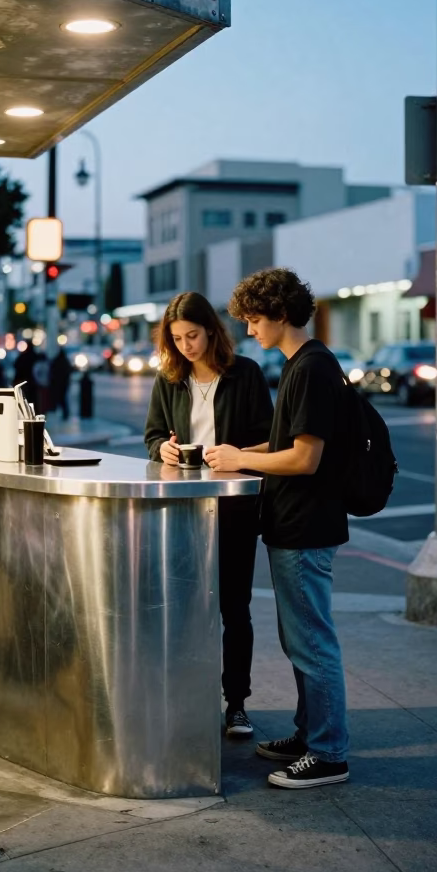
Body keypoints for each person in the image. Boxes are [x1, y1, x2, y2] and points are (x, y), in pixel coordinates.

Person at [206, 268, 350, 790]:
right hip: (292, 523)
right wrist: (236, 455)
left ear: (280, 314)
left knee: (312, 642)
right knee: (300, 641)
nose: (249, 330)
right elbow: (284, 441)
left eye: (253, 320)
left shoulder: (311, 367)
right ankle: (310, 733)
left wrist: (243, 457)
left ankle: (330, 754)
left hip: (306, 525)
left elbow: (306, 459)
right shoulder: (296, 365)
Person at [143, 291, 273, 739]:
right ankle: (186, 697)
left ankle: (236, 703)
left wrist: (236, 456)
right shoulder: (169, 378)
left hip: (235, 506)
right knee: (184, 608)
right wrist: (163, 447)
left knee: (235, 608)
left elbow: (271, 440)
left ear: (213, 331)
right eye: (177, 339)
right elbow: (153, 434)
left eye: (192, 336)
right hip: (183, 508)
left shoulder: (246, 375)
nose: (186, 346)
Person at [49, 347, 72, 420]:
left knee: (59, 398)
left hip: (58, 383)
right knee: (62, 398)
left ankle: (59, 412)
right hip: (63, 383)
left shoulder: (57, 361)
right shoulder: (65, 361)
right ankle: (65, 413)